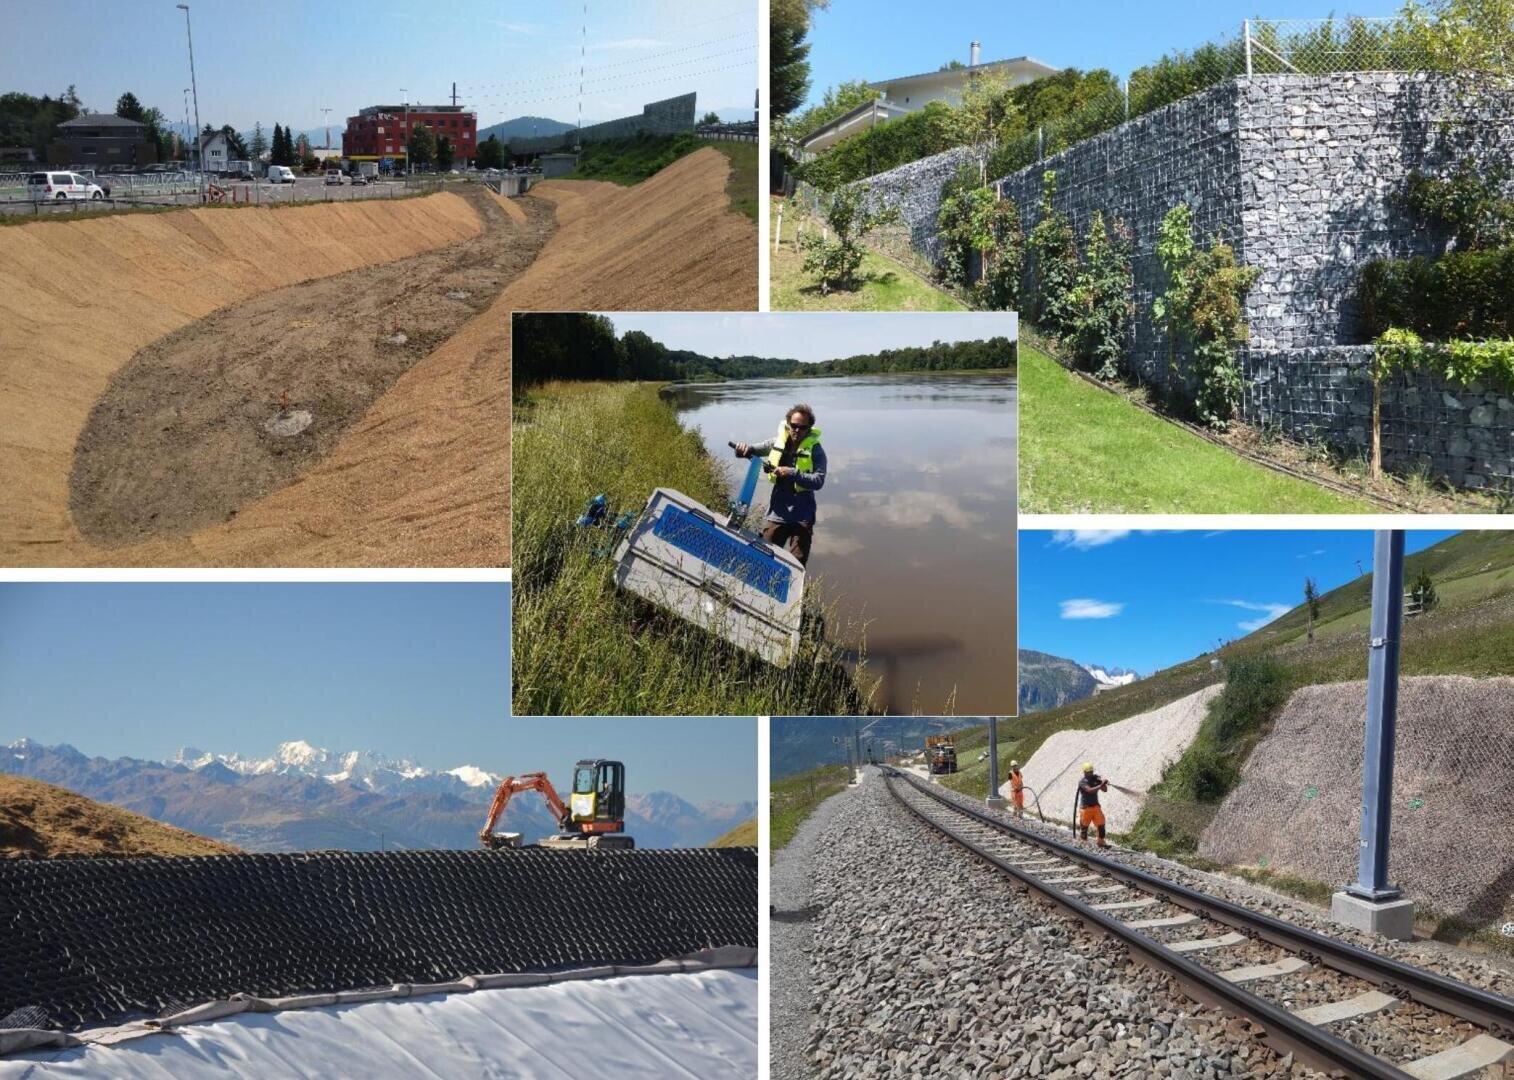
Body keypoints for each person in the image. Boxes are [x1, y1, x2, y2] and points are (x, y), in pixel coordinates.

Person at [733, 404, 827, 566]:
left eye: (802, 427)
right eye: (794, 425)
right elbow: (750, 451)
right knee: (763, 558)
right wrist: (741, 449)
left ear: (809, 429)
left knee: (796, 565)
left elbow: (818, 481)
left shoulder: (816, 451)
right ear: (788, 424)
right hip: (778, 512)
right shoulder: (776, 443)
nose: (797, 430)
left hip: (803, 516)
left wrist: (792, 472)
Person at [1076, 762, 1110, 848]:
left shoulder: (1095, 779)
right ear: (1084, 772)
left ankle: (1101, 842)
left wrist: (1102, 783)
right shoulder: (1082, 782)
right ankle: (1083, 842)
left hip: (1096, 806)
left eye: (1091, 771)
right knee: (1084, 826)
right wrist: (1100, 785)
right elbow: (1090, 790)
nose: (1091, 773)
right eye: (1089, 772)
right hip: (1085, 808)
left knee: (1101, 824)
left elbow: (1105, 790)